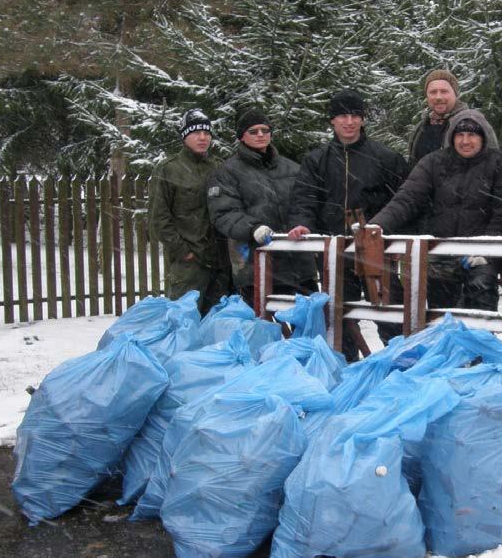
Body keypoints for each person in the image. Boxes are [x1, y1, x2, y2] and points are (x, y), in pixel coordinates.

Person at [286, 89, 410, 361]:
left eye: (355, 115)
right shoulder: (317, 160)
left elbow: (404, 201)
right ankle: (347, 367)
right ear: (332, 120)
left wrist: (398, 239)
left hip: (377, 248)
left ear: (363, 120)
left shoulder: (386, 158)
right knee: (339, 314)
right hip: (334, 250)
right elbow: (304, 198)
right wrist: (302, 224)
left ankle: (401, 363)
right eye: (342, 116)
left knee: (389, 310)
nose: (349, 122)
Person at [372, 109, 502, 312]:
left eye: (472, 135)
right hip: (441, 250)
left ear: (483, 136)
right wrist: (378, 225)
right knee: (441, 314)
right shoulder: (434, 162)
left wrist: (486, 249)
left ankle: (480, 341)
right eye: (460, 134)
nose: (465, 141)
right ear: (452, 136)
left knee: (480, 306)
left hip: (480, 253)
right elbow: (407, 198)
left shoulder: (500, 163)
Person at [207, 108, 316, 307]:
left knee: (309, 325)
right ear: (241, 136)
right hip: (257, 265)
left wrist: (303, 224)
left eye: (265, 130)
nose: (260, 135)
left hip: (299, 264)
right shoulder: (227, 172)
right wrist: (253, 228)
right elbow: (224, 212)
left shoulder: (291, 168)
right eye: (253, 131)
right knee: (265, 328)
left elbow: (307, 202)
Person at [148, 108, 231, 315]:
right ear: (184, 136)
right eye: (195, 133)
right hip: (188, 266)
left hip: (220, 263)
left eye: (206, 132)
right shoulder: (169, 170)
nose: (202, 137)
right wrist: (184, 252)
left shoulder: (219, 167)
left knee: (216, 325)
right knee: (183, 323)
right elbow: (159, 218)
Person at [406, 69, 498, 166]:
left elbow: (492, 166)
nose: (438, 97)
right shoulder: (420, 128)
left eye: (444, 91)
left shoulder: (474, 123)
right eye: (433, 92)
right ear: (427, 96)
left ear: (455, 94)